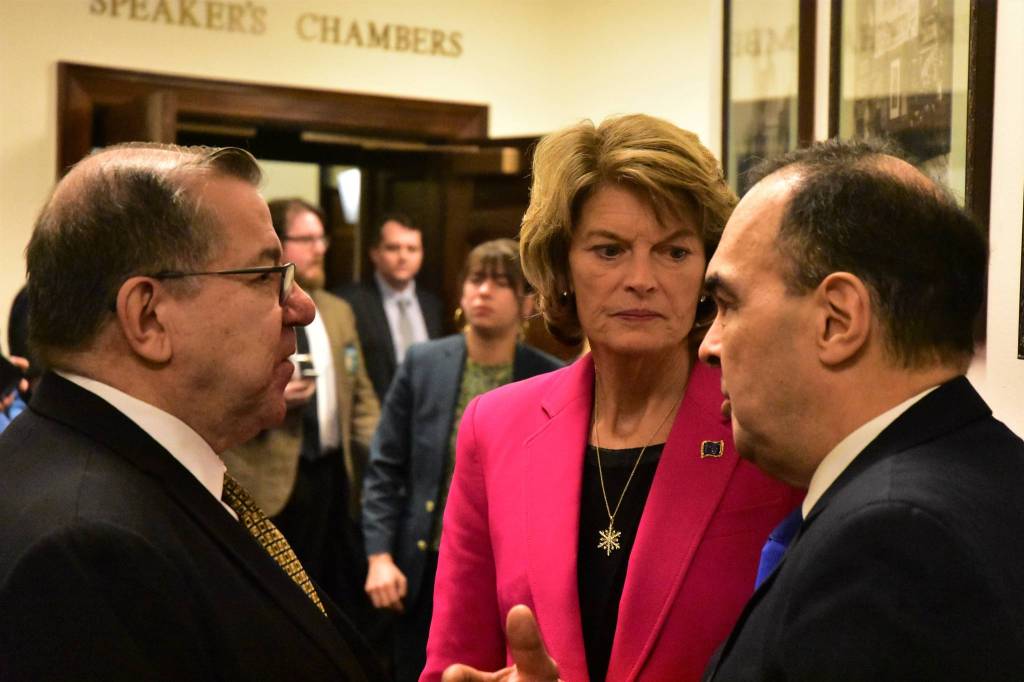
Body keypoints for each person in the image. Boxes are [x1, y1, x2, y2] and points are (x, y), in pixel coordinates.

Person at [423, 114, 802, 682]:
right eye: (609, 250)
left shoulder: (764, 423)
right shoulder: (496, 426)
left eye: (674, 252)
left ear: (708, 270)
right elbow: (455, 663)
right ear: (563, 267)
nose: (642, 279)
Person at [0, 143, 381, 680]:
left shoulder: (103, 469)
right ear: (149, 316)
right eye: (266, 276)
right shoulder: (85, 551)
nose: (302, 307)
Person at [696, 140, 1024, 679]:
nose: (710, 346)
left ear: (838, 320)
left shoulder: (890, 542)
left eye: (728, 304)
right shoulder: (983, 471)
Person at [362, 238, 562, 681]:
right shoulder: (424, 362)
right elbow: (385, 466)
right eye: (475, 280)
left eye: (499, 282)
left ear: (527, 299)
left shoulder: (548, 376)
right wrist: (379, 555)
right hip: (424, 561)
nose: (483, 292)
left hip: (513, 567)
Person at [221, 198, 380, 613]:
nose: (320, 248)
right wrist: (268, 395)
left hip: (332, 475)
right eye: (307, 239)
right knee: (275, 602)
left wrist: (384, 459)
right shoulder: (250, 310)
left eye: (321, 238)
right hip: (271, 478)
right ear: (277, 245)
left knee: (331, 599)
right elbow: (220, 390)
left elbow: (359, 393)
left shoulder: (338, 311)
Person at [336, 213, 444, 401]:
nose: (403, 257)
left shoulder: (432, 306)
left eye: (412, 249)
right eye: (393, 248)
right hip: (376, 414)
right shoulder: (350, 303)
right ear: (375, 253)